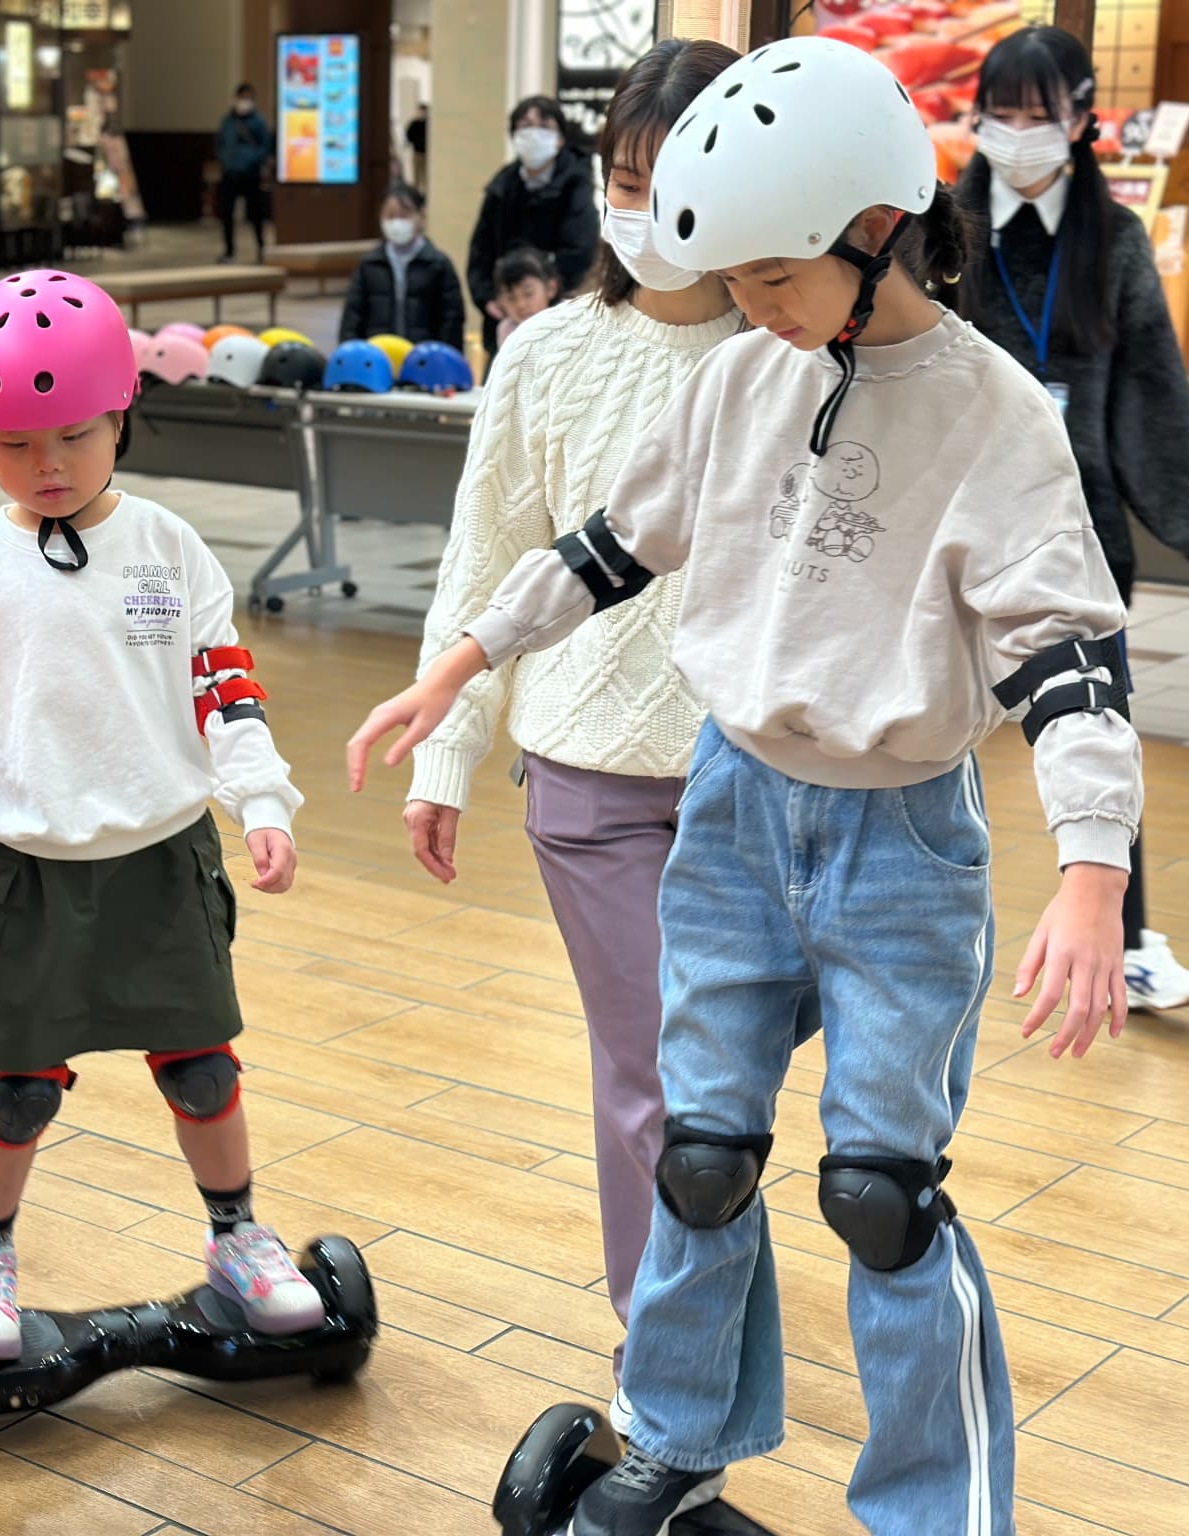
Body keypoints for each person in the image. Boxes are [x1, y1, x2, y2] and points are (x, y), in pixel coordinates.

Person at [351, 36, 1141, 1535]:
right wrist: (462, 662)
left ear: (876, 228)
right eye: (736, 280)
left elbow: (1069, 656)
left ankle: (938, 1513)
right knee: (699, 1158)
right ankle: (678, 1440)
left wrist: (1093, 871)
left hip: (899, 836)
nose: (752, 307)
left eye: (774, 275)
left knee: (880, 1196)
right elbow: (609, 544)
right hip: (730, 810)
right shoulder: (742, 378)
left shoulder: (993, 415)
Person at [0, 268, 325, 1360]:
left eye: (73, 435)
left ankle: (236, 1237)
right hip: (24, 869)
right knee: (19, 1089)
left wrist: (261, 799)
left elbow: (223, 689)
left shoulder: (167, 547)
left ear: (121, 414)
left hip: (163, 858)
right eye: (13, 445)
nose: (48, 465)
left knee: (202, 1068)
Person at [405, 39, 743, 1438]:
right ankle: (659, 1352)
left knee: (726, 1082)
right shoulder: (546, 352)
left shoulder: (789, 354)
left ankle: (703, 1308)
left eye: (674, 180)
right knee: (652, 1072)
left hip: (761, 779)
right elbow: (485, 557)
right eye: (624, 179)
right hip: (590, 774)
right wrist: (445, 752)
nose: (641, 208)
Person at [955, 25, 1189, 1014]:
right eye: (1000, 113)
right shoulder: (943, 228)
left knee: (1097, 723)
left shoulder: (1111, 239)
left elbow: (1153, 387)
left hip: (1077, 530)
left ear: (1080, 119)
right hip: (949, 519)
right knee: (919, 727)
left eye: (1037, 115)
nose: (1017, 133)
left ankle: (1129, 939)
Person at [467, 95, 599, 357]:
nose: (533, 134)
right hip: (507, 312)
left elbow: (580, 248)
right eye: (525, 126)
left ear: (560, 138)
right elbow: (480, 250)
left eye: (544, 126)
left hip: (558, 309)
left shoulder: (576, 183)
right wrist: (488, 296)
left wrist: (546, 293)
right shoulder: (501, 186)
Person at [338, 182, 464, 348]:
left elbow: (452, 320)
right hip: (379, 355)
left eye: (404, 215)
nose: (397, 222)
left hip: (424, 356)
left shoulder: (438, 265)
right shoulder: (369, 265)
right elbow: (352, 317)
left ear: (421, 215)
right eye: (390, 216)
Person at [216, 82, 273, 262]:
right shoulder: (227, 121)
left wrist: (252, 160)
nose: (244, 102)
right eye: (242, 98)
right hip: (229, 173)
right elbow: (220, 144)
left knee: (256, 215)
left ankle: (261, 249)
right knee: (226, 214)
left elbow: (265, 146)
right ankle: (229, 251)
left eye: (248, 98)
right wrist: (225, 161)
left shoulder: (258, 122)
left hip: (251, 174)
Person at [489, 245, 561, 347]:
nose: (521, 305)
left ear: (550, 288)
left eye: (528, 293)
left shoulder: (568, 318)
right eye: (511, 298)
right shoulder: (507, 330)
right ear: (500, 302)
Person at [405, 103, 429, 187]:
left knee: (426, 175)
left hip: (427, 153)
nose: (423, 113)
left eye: (424, 112)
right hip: (417, 152)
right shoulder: (414, 124)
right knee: (416, 174)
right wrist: (415, 142)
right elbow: (408, 136)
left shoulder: (429, 124)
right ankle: (416, 191)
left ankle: (424, 191)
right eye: (421, 111)